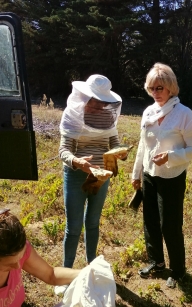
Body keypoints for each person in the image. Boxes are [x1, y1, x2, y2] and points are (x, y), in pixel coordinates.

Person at [131, 63, 192, 288]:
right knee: (150, 221)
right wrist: (136, 173)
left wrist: (170, 156)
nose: (155, 93)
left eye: (159, 87)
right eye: (151, 88)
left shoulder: (183, 114)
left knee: (169, 225)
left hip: (172, 176)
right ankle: (157, 261)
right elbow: (143, 145)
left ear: (170, 87)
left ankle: (178, 270)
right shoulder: (149, 112)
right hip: (150, 175)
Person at [58, 74, 127, 278]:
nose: (98, 108)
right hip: (76, 176)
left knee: (93, 222)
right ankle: (65, 273)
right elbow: (63, 150)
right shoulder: (71, 115)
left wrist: (120, 152)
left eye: (102, 104)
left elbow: (113, 142)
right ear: (84, 97)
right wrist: (79, 162)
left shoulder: (107, 117)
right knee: (74, 227)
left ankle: (91, 268)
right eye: (94, 103)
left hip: (101, 176)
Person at [0, 209, 80, 307]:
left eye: (21, 258)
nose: (19, 267)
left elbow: (50, 274)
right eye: (10, 264)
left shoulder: (15, 251)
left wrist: (86, 273)